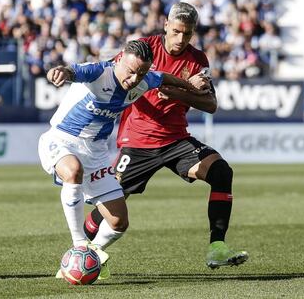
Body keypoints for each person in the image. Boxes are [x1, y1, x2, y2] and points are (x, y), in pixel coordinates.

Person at [83, 2, 249, 270]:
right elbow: (115, 78)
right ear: (166, 26)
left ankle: (216, 247)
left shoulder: (197, 60)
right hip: (137, 141)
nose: (181, 39)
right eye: (177, 32)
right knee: (109, 206)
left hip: (176, 140)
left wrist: (176, 92)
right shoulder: (142, 49)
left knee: (221, 172)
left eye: (187, 34)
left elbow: (210, 104)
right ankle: (80, 251)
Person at [39, 40, 208, 280]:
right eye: (130, 71)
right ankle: (79, 246)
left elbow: (165, 78)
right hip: (63, 139)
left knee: (119, 222)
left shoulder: (144, 79)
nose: (134, 79)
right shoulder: (99, 72)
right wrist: (59, 72)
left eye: (140, 73)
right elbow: (73, 71)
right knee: (73, 171)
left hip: (96, 153)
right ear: (119, 61)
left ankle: (93, 256)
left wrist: (189, 85)